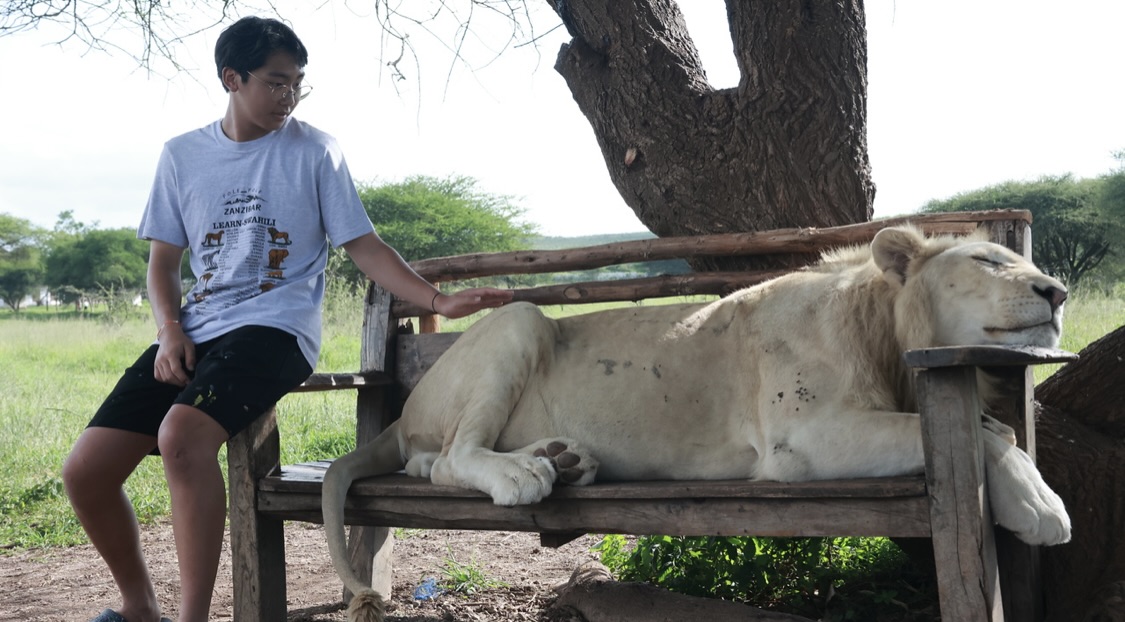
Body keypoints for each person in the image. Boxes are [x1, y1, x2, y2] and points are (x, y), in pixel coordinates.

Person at [60, 16, 513, 622]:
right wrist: (169, 330)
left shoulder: (314, 151)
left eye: (298, 83)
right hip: (197, 330)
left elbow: (364, 246)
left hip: (276, 329)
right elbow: (163, 263)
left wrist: (437, 301)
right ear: (232, 78)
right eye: (276, 82)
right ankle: (139, 606)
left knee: (181, 438)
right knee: (85, 472)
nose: (289, 96)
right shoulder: (182, 156)